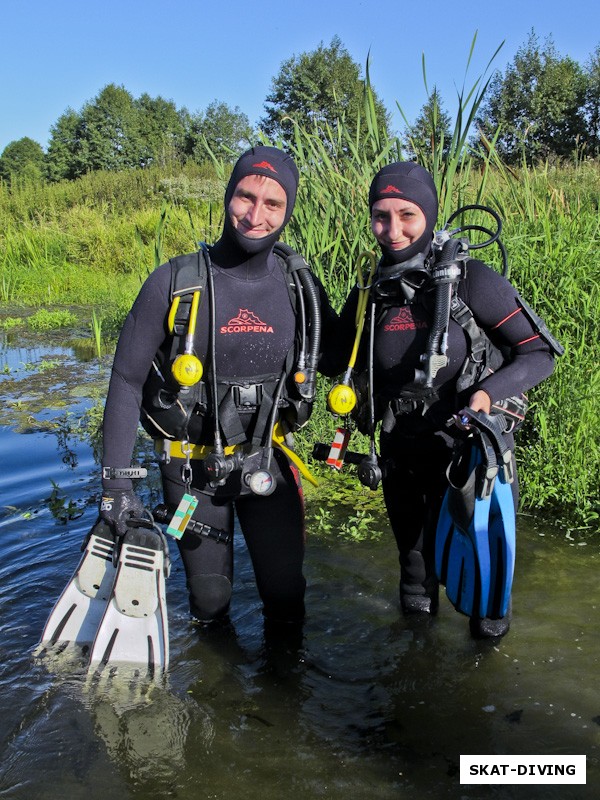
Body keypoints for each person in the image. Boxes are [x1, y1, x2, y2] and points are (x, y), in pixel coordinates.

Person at [99, 145, 338, 633]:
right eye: (245, 197)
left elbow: (342, 355)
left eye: (273, 204)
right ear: (228, 196)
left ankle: (282, 702)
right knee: (209, 604)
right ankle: (214, 702)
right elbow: (125, 380)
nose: (255, 215)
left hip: (267, 461)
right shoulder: (174, 282)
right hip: (189, 472)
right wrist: (117, 488)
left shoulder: (299, 288)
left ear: (288, 210)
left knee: (287, 598)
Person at [334, 162, 558, 638]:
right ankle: (418, 672)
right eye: (380, 216)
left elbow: (540, 354)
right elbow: (335, 354)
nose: (392, 230)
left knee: (486, 583)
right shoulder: (372, 288)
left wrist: (486, 393)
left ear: (430, 215)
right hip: (402, 455)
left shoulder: (471, 279)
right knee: (414, 572)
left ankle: (483, 690)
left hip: (472, 459)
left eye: (407, 214)